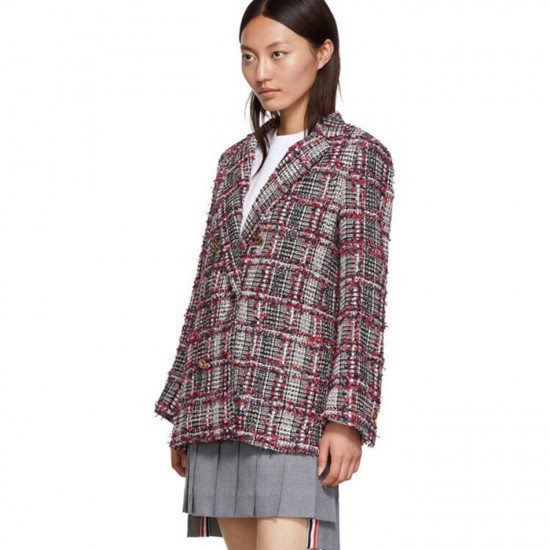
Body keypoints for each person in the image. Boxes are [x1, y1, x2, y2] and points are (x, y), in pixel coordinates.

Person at [154, 1, 395, 549]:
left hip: (296, 405)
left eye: (277, 54)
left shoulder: (357, 156)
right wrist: (184, 408)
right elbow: (207, 287)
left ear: (323, 52)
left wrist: (347, 416)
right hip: (215, 400)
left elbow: (361, 296)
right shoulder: (233, 162)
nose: (260, 72)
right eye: (248, 56)